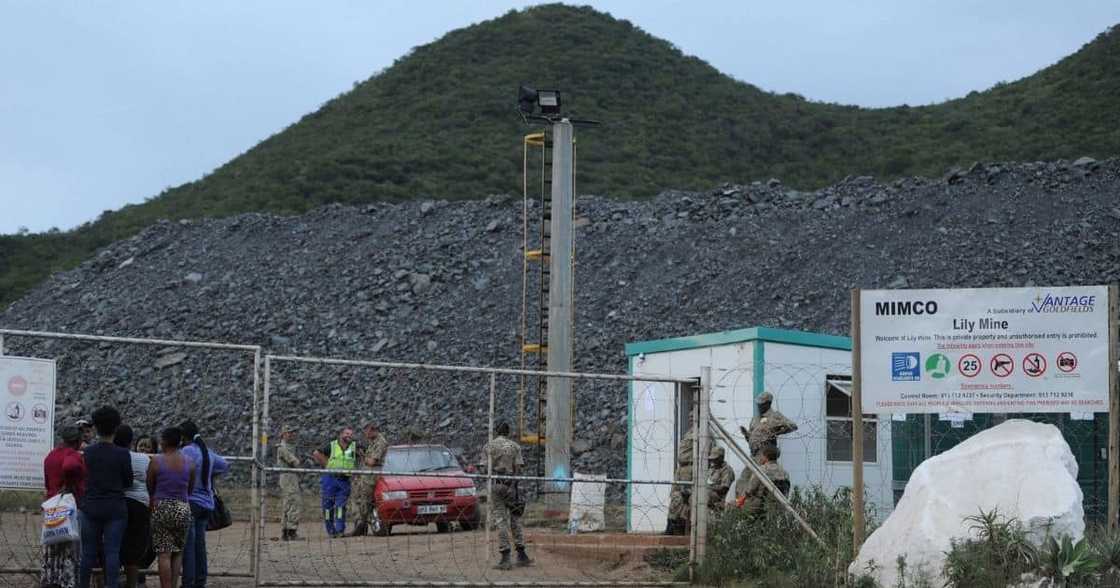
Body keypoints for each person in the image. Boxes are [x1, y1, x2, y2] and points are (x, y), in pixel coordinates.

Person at [77, 406, 132, 588]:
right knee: (112, 552)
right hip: (115, 508)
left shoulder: (88, 452)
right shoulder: (123, 454)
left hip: (90, 507)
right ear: (116, 427)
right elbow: (128, 481)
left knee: (88, 553)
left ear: (96, 428)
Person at [179, 420, 228, 588]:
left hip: (190, 502)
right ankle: (200, 582)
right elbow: (224, 465)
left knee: (188, 547)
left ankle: (188, 583)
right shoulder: (207, 451)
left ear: (183, 436)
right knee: (200, 546)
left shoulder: (185, 451)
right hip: (207, 504)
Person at [147, 427, 194, 588]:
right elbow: (190, 489)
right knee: (178, 552)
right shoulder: (189, 462)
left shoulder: (156, 461)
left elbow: (150, 486)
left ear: (164, 442)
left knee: (164, 553)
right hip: (182, 507)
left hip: (162, 507)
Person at [481, 421, 531, 571]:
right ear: (508, 432)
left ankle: (505, 557)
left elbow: (485, 468)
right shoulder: (515, 446)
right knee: (515, 519)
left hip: (496, 484)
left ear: (497, 431)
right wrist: (514, 486)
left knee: (501, 520)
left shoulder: (489, 446)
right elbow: (518, 468)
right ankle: (522, 554)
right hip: (511, 485)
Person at [42, 425, 88, 588]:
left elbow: (48, 483)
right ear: (77, 441)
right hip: (69, 507)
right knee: (70, 548)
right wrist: (69, 485)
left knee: (53, 547)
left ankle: (51, 580)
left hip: (52, 507)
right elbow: (70, 466)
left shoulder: (51, 456)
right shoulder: (72, 454)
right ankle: (67, 582)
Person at [113, 426, 150, 588]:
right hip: (140, 504)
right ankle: (132, 583)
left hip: (117, 502)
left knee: (113, 545)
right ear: (131, 442)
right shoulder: (145, 460)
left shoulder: (112, 456)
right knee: (135, 549)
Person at [312, 427, 356, 538]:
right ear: (341, 434)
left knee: (341, 506)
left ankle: (340, 530)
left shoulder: (354, 447)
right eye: (346, 433)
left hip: (344, 481)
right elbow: (316, 453)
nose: (348, 436)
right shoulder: (331, 445)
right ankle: (331, 531)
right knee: (328, 507)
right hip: (330, 479)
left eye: (351, 434)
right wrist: (327, 465)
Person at [347, 422, 388, 537]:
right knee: (357, 498)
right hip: (366, 475)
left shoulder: (380, 442)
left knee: (366, 501)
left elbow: (371, 462)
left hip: (372, 475)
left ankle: (365, 523)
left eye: (366, 431)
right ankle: (361, 525)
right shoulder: (372, 442)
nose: (365, 434)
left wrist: (361, 454)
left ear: (371, 430)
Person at [740, 391, 798, 458]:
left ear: (768, 403)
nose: (759, 406)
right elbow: (751, 439)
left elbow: (793, 426)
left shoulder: (775, 416)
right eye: (758, 403)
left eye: (761, 403)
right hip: (754, 456)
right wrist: (746, 434)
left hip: (767, 457)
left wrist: (776, 432)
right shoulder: (755, 419)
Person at [737, 445, 790, 518]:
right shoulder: (785, 473)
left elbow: (751, 489)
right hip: (779, 507)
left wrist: (741, 500)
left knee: (732, 505)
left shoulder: (761, 470)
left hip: (761, 506)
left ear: (765, 457)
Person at [665, 418, 695, 536]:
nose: (691, 419)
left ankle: (676, 528)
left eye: (693, 416)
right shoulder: (689, 432)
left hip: (690, 468)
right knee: (675, 495)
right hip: (681, 468)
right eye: (690, 417)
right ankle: (671, 525)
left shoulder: (701, 433)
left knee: (683, 497)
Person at [275, 424, 302, 541]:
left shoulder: (290, 446)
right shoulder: (282, 447)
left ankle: (287, 530)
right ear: (283, 434)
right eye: (289, 433)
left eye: (292, 433)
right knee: (294, 501)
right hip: (288, 476)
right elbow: (294, 461)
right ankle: (291, 530)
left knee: (288, 502)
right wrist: (297, 460)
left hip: (290, 476)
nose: (292, 435)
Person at [706, 446, 735, 515]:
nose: (713, 461)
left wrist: (708, 487)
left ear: (721, 458)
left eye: (715, 459)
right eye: (712, 459)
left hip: (717, 502)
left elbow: (724, 488)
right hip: (708, 502)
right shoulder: (712, 468)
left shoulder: (727, 470)